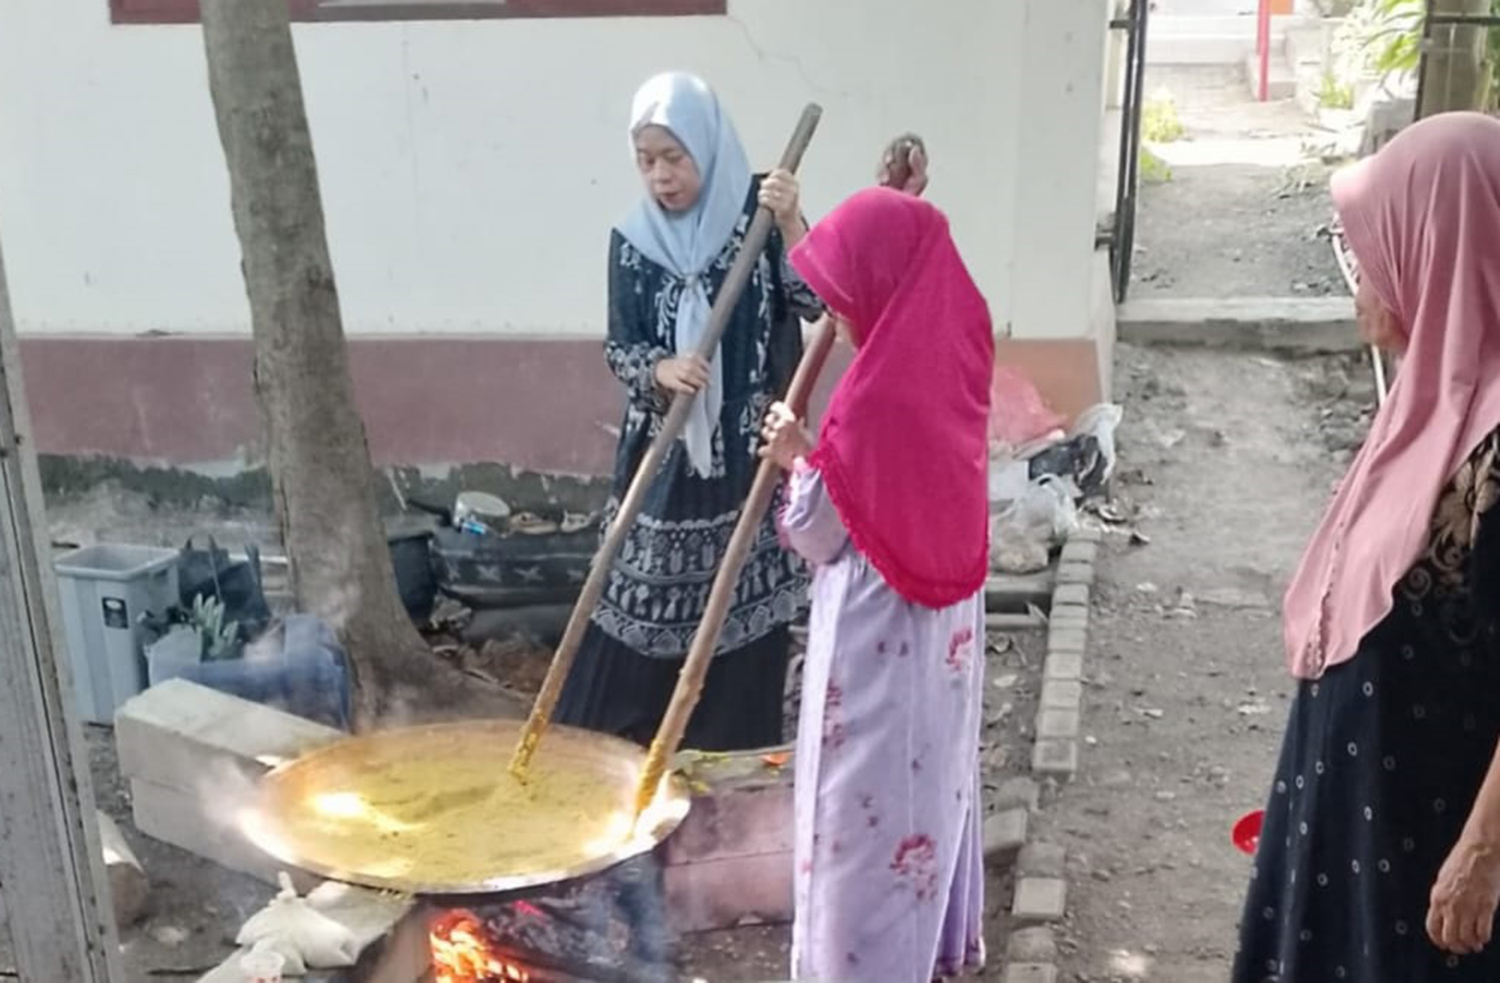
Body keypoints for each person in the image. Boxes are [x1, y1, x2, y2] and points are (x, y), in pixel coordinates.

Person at [1233, 112, 1500, 981]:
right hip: (1361, 827)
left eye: (1375, 245)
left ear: (1440, 244)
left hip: (1435, 857)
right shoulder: (1429, 407)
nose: (1359, 277)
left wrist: (1482, 853)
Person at [760, 187, 994, 982]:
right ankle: (926, 948)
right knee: (928, 790)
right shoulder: (954, 352)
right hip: (945, 638)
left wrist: (796, 458)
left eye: (843, 296)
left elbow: (819, 530)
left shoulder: (870, 404)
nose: (839, 315)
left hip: (872, 639)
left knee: (857, 815)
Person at [555, 71, 820, 751]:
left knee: (740, 598)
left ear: (707, 148)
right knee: (636, 593)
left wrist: (793, 220)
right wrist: (658, 368)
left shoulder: (756, 217)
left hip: (747, 454)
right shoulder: (633, 240)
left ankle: (727, 748)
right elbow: (621, 345)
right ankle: (609, 747)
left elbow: (815, 297)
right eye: (646, 161)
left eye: (674, 158)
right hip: (664, 455)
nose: (660, 176)